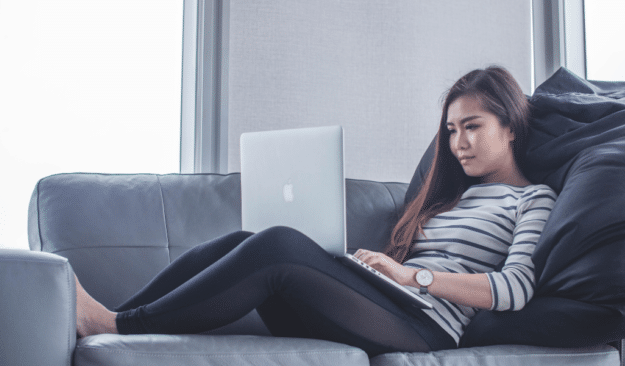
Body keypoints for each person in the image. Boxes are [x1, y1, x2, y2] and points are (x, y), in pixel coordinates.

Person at [75, 66, 557, 357]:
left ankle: (116, 326)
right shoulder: (450, 196)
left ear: (511, 126)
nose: (457, 143)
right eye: (450, 130)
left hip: (427, 328)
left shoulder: (533, 199)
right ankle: (117, 318)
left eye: (471, 126)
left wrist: (413, 278)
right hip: (386, 305)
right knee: (247, 240)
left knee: (279, 245)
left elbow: (515, 289)